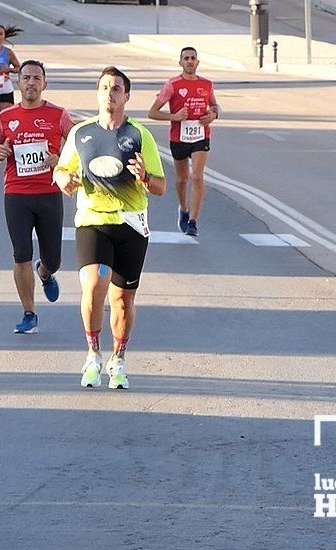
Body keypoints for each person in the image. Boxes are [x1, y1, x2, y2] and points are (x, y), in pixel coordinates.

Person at [54, 66, 166, 390]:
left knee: (122, 300)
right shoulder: (81, 133)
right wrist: (64, 180)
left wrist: (145, 176)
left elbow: (160, 187)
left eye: (116, 88)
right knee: (94, 283)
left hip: (131, 222)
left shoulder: (140, 136)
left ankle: (118, 357)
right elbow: (62, 170)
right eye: (104, 88)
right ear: (97, 94)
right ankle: (92, 354)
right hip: (93, 219)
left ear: (126, 97)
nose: (110, 94)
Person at [0, 60, 74, 334]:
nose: (30, 82)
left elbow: (78, 146)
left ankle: (46, 272)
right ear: (18, 82)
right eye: (25, 77)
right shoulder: (5, 118)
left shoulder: (58, 115)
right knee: (20, 255)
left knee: (54, 259)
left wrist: (60, 158)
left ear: (44, 84)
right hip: (16, 194)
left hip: (49, 193)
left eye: (36, 78)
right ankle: (29, 312)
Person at [148, 46, 219, 237]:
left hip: (200, 136)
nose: (189, 61)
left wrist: (213, 115)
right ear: (180, 62)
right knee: (182, 179)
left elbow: (214, 105)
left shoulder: (206, 84)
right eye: (186, 58)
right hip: (179, 137)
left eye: (193, 58)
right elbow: (152, 112)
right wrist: (175, 116)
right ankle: (183, 208)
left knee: (197, 176)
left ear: (197, 62)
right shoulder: (172, 85)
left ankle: (193, 222)